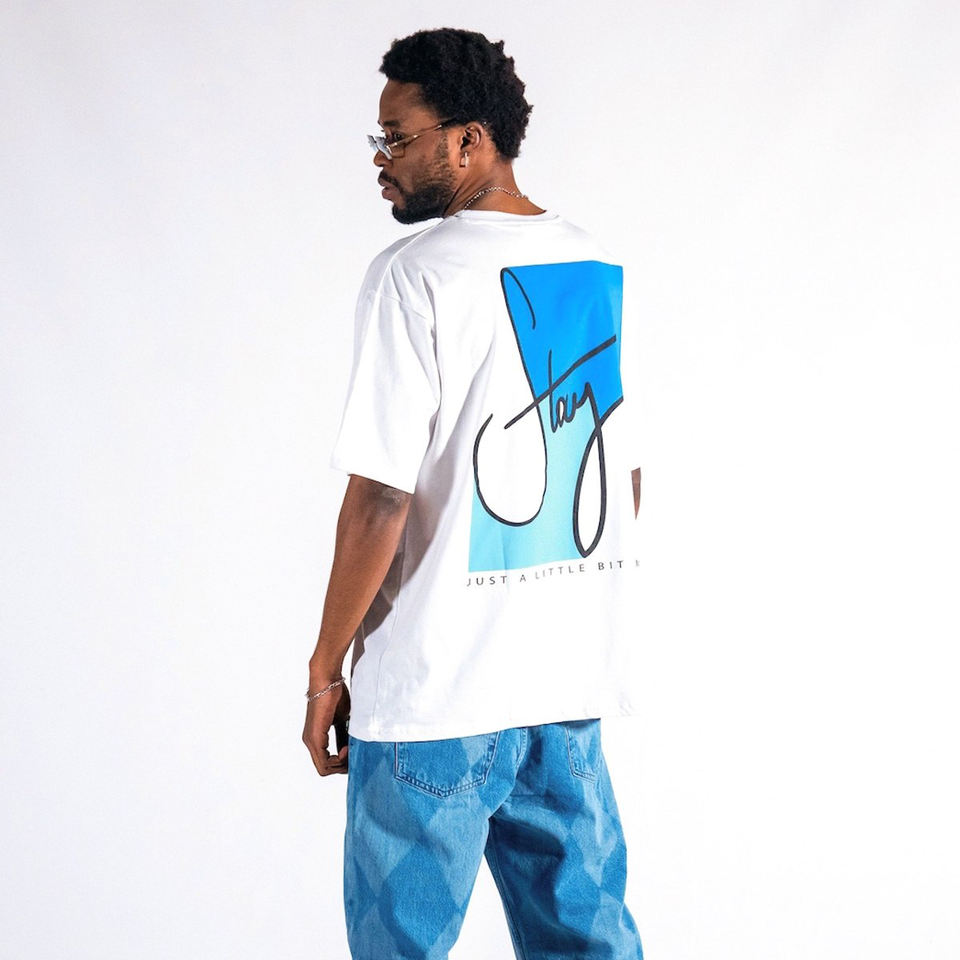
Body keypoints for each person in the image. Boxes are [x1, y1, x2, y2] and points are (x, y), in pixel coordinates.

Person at [302, 27, 644, 960]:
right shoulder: (587, 263)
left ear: (468, 139)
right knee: (588, 944)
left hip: (437, 696)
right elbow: (624, 478)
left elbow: (381, 498)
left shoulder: (415, 276)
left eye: (396, 137)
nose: (381, 160)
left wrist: (327, 668)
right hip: (563, 691)